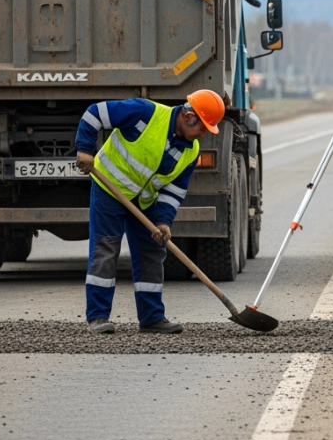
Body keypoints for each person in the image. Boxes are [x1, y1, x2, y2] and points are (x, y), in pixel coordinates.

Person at [75, 90, 225, 334]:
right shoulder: (145, 113)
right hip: (109, 190)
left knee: (152, 252)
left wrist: (164, 222)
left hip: (145, 202)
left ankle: (152, 318)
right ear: (188, 117)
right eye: (204, 126)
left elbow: (174, 190)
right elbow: (95, 113)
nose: (204, 133)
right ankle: (98, 317)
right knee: (106, 249)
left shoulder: (191, 151)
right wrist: (84, 149)